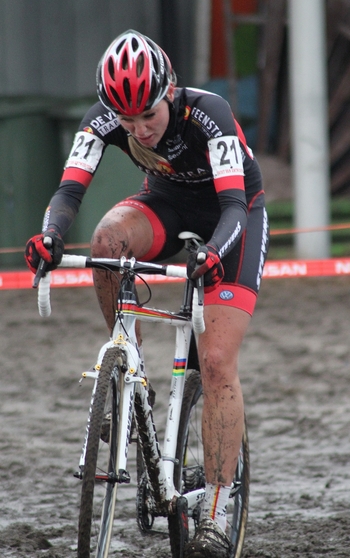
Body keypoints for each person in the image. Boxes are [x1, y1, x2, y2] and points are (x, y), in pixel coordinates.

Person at [25, 30, 269, 558]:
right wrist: (50, 236)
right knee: (108, 239)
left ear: (170, 91)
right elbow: (69, 190)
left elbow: (232, 206)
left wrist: (210, 256)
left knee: (219, 360)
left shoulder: (212, 114)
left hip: (233, 218)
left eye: (148, 118)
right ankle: (129, 364)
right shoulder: (104, 118)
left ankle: (219, 508)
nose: (139, 130)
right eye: (127, 120)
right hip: (166, 203)